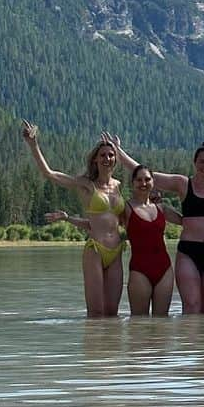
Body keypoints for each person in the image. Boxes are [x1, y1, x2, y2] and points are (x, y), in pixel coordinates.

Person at [108, 136, 204, 315]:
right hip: (189, 250)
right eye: (202, 161)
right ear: (194, 162)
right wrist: (120, 154)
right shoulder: (182, 183)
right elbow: (147, 175)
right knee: (191, 305)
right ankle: (190, 342)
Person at [23, 121, 125, 318]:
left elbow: (105, 221)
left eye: (111, 155)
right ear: (95, 160)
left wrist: (68, 219)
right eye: (102, 155)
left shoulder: (119, 186)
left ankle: (111, 348)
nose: (107, 158)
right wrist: (33, 145)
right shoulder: (86, 185)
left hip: (117, 251)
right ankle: (94, 347)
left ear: (116, 159)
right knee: (95, 313)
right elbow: (50, 174)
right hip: (95, 249)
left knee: (112, 313)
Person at [124, 165, 182, 317]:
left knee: (162, 322)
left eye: (147, 179)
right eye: (139, 180)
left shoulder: (161, 208)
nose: (143, 183)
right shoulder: (126, 208)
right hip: (139, 270)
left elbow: (187, 220)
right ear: (132, 183)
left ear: (153, 182)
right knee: (138, 323)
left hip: (165, 270)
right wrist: (69, 219)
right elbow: (103, 225)